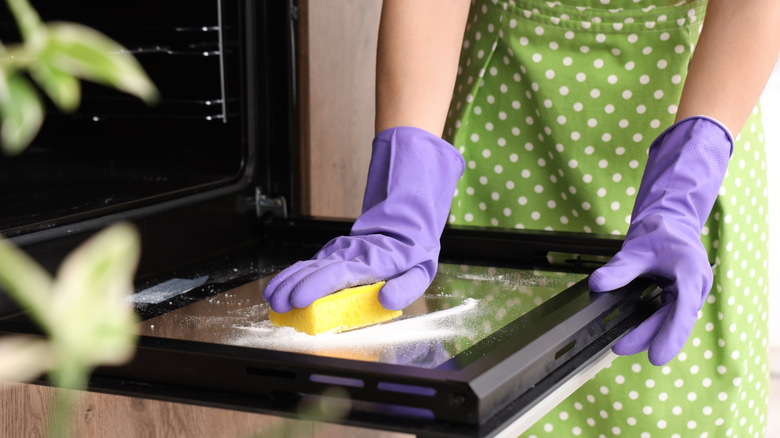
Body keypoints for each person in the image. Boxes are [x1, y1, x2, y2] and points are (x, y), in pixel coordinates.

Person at [265, 0, 780, 435]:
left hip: (696, 106)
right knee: (485, 396)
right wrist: (402, 201)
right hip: (503, 116)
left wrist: (682, 188)